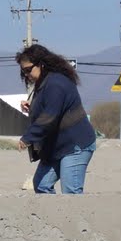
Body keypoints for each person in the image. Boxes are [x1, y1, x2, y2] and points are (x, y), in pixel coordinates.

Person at [16, 44, 97, 194]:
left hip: (75, 146)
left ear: (41, 64)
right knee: (41, 184)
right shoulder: (45, 82)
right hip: (56, 147)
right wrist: (31, 106)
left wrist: (27, 138)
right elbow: (48, 107)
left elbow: (49, 117)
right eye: (23, 71)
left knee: (70, 193)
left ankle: (72, 218)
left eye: (28, 70)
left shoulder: (56, 83)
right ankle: (52, 217)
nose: (26, 74)